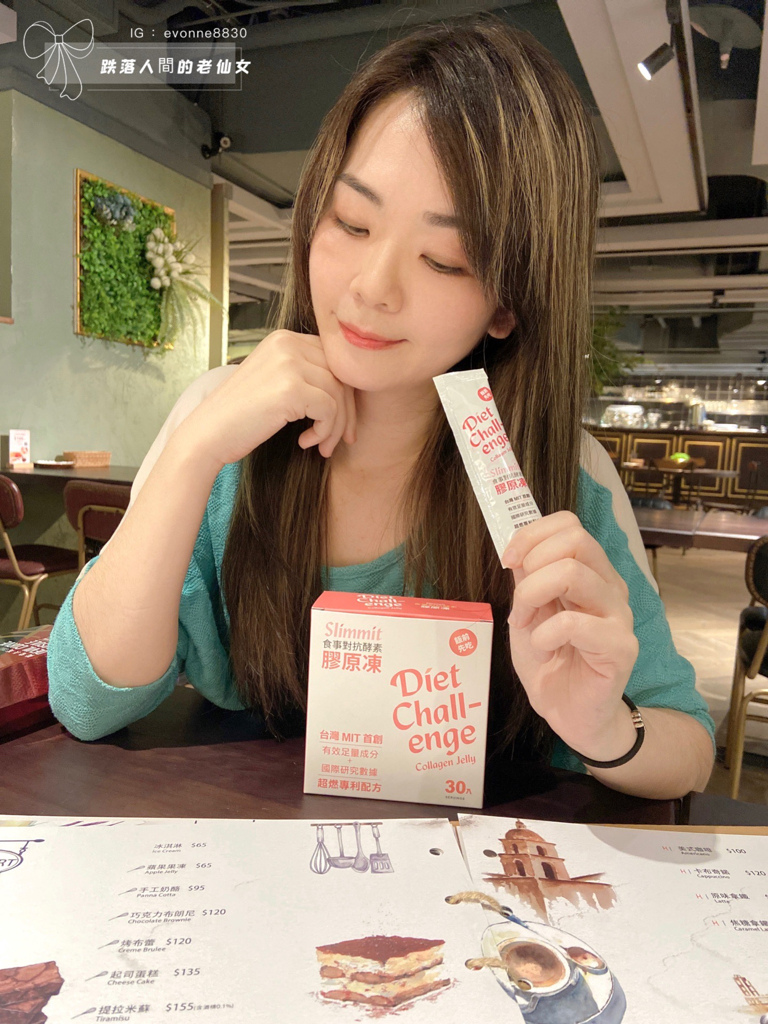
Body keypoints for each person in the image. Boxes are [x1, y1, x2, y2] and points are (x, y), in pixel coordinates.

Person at [47, 17, 715, 800]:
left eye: (444, 259)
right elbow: (87, 700)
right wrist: (194, 454)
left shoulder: (557, 476)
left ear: (508, 303)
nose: (372, 287)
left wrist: (604, 728)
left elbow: (686, 745)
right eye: (351, 222)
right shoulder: (223, 425)